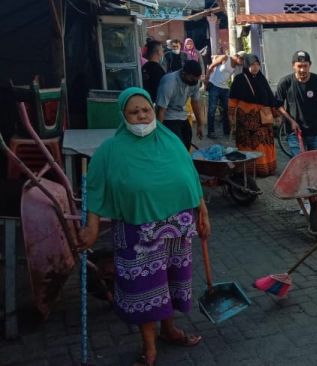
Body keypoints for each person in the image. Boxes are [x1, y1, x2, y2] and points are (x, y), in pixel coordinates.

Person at [78, 87, 210, 366]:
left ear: (153, 109)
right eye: (133, 112)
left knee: (172, 281)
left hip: (177, 227)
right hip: (136, 232)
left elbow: (191, 178)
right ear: (123, 116)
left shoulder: (170, 140)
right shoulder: (111, 151)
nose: (141, 116)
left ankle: (169, 330)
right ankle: (149, 347)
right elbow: (96, 189)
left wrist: (203, 213)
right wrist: (91, 228)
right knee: (144, 289)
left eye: (145, 110)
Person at [228, 54, 278, 176]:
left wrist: (275, 113)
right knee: (250, 144)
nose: (255, 67)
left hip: (263, 119)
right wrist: (231, 118)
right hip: (246, 120)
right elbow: (232, 100)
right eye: (252, 65)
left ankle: (266, 168)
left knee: (264, 143)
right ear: (246, 65)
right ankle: (250, 170)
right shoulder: (239, 79)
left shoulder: (261, 78)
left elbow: (270, 97)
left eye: (257, 64)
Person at [156, 60, 205, 149]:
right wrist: (158, 131)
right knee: (177, 147)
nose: (194, 82)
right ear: (183, 73)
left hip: (182, 115)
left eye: (196, 79)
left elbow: (195, 102)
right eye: (192, 78)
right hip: (168, 117)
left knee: (187, 144)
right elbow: (161, 110)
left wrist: (200, 124)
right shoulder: (169, 82)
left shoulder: (195, 81)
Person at [206, 51, 246, 138]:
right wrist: (207, 80)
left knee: (227, 110)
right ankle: (211, 132)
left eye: (243, 60)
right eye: (241, 59)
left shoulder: (237, 66)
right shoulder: (225, 58)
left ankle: (227, 131)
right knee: (212, 110)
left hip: (225, 88)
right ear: (236, 56)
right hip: (214, 85)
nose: (242, 62)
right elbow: (211, 66)